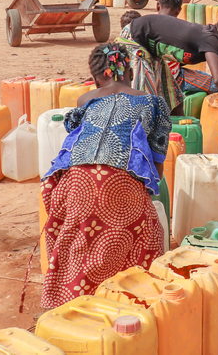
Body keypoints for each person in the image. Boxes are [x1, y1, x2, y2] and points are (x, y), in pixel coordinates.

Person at [40, 43, 170, 308]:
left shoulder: (85, 100)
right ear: (128, 72)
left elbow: (76, 142)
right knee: (148, 236)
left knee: (77, 241)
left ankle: (68, 306)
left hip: (71, 181)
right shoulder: (151, 102)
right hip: (119, 181)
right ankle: (129, 301)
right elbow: (156, 166)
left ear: (99, 77)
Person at [117, 8, 218, 126]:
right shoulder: (209, 37)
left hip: (153, 52)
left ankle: (180, 139)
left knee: (174, 99)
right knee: (147, 103)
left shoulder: (216, 45)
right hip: (134, 40)